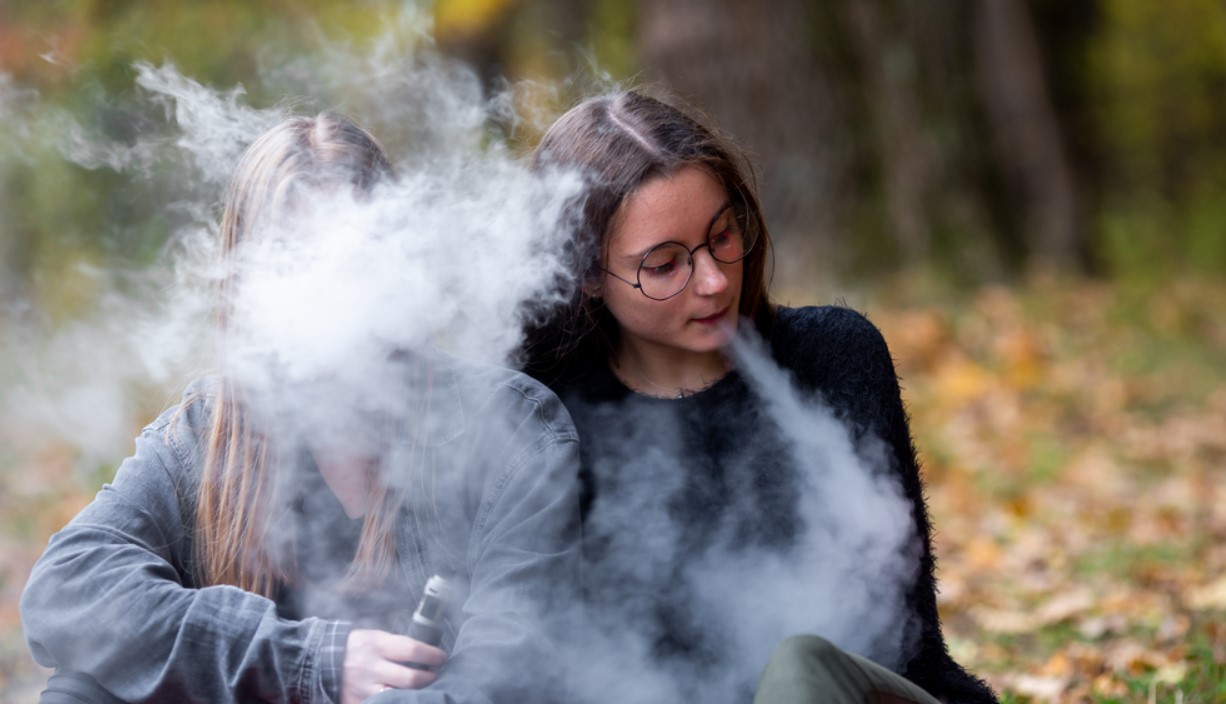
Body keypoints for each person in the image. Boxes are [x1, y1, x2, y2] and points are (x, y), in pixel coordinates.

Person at [21, 112, 582, 704]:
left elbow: (505, 678)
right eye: (293, 259)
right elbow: (67, 590)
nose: (326, 288)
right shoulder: (206, 432)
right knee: (81, 686)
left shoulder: (512, 429)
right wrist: (312, 661)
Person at [520, 90, 997, 704]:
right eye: (664, 265)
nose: (714, 280)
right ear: (585, 275)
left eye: (722, 235)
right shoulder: (540, 418)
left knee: (799, 667)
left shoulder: (832, 356)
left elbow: (905, 643)